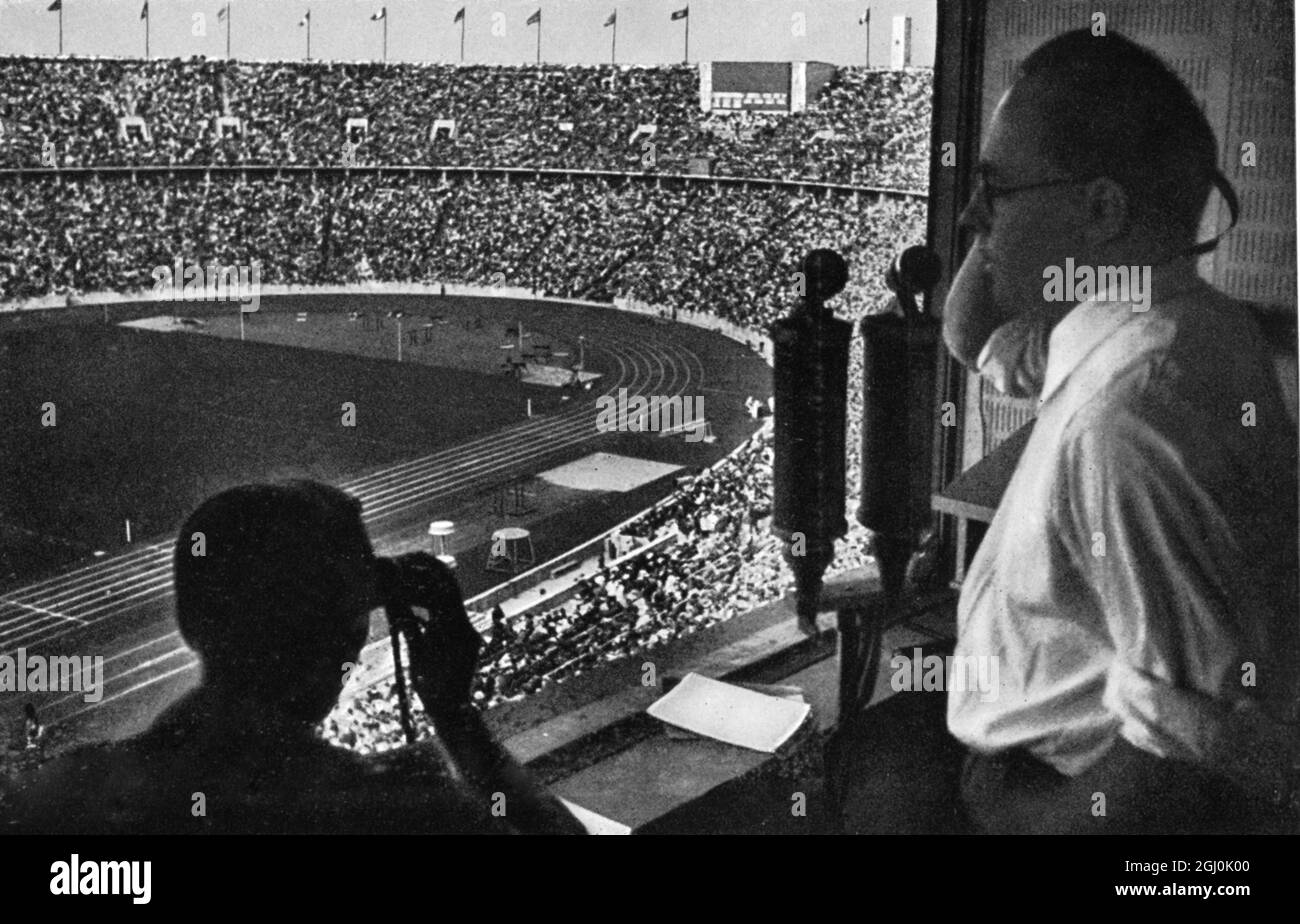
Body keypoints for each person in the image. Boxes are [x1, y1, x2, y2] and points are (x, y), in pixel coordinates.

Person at [841, 30, 1298, 835]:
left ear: (1101, 211)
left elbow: (1193, 754)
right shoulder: (1169, 326)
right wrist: (1011, 201)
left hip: (1056, 798)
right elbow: (971, 331)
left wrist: (1022, 819)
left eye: (994, 191)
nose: (974, 221)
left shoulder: (1126, 417)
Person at [3, 481, 584, 835]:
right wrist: (456, 716)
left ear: (189, 624)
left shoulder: (58, 794)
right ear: (351, 633)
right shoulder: (394, 808)